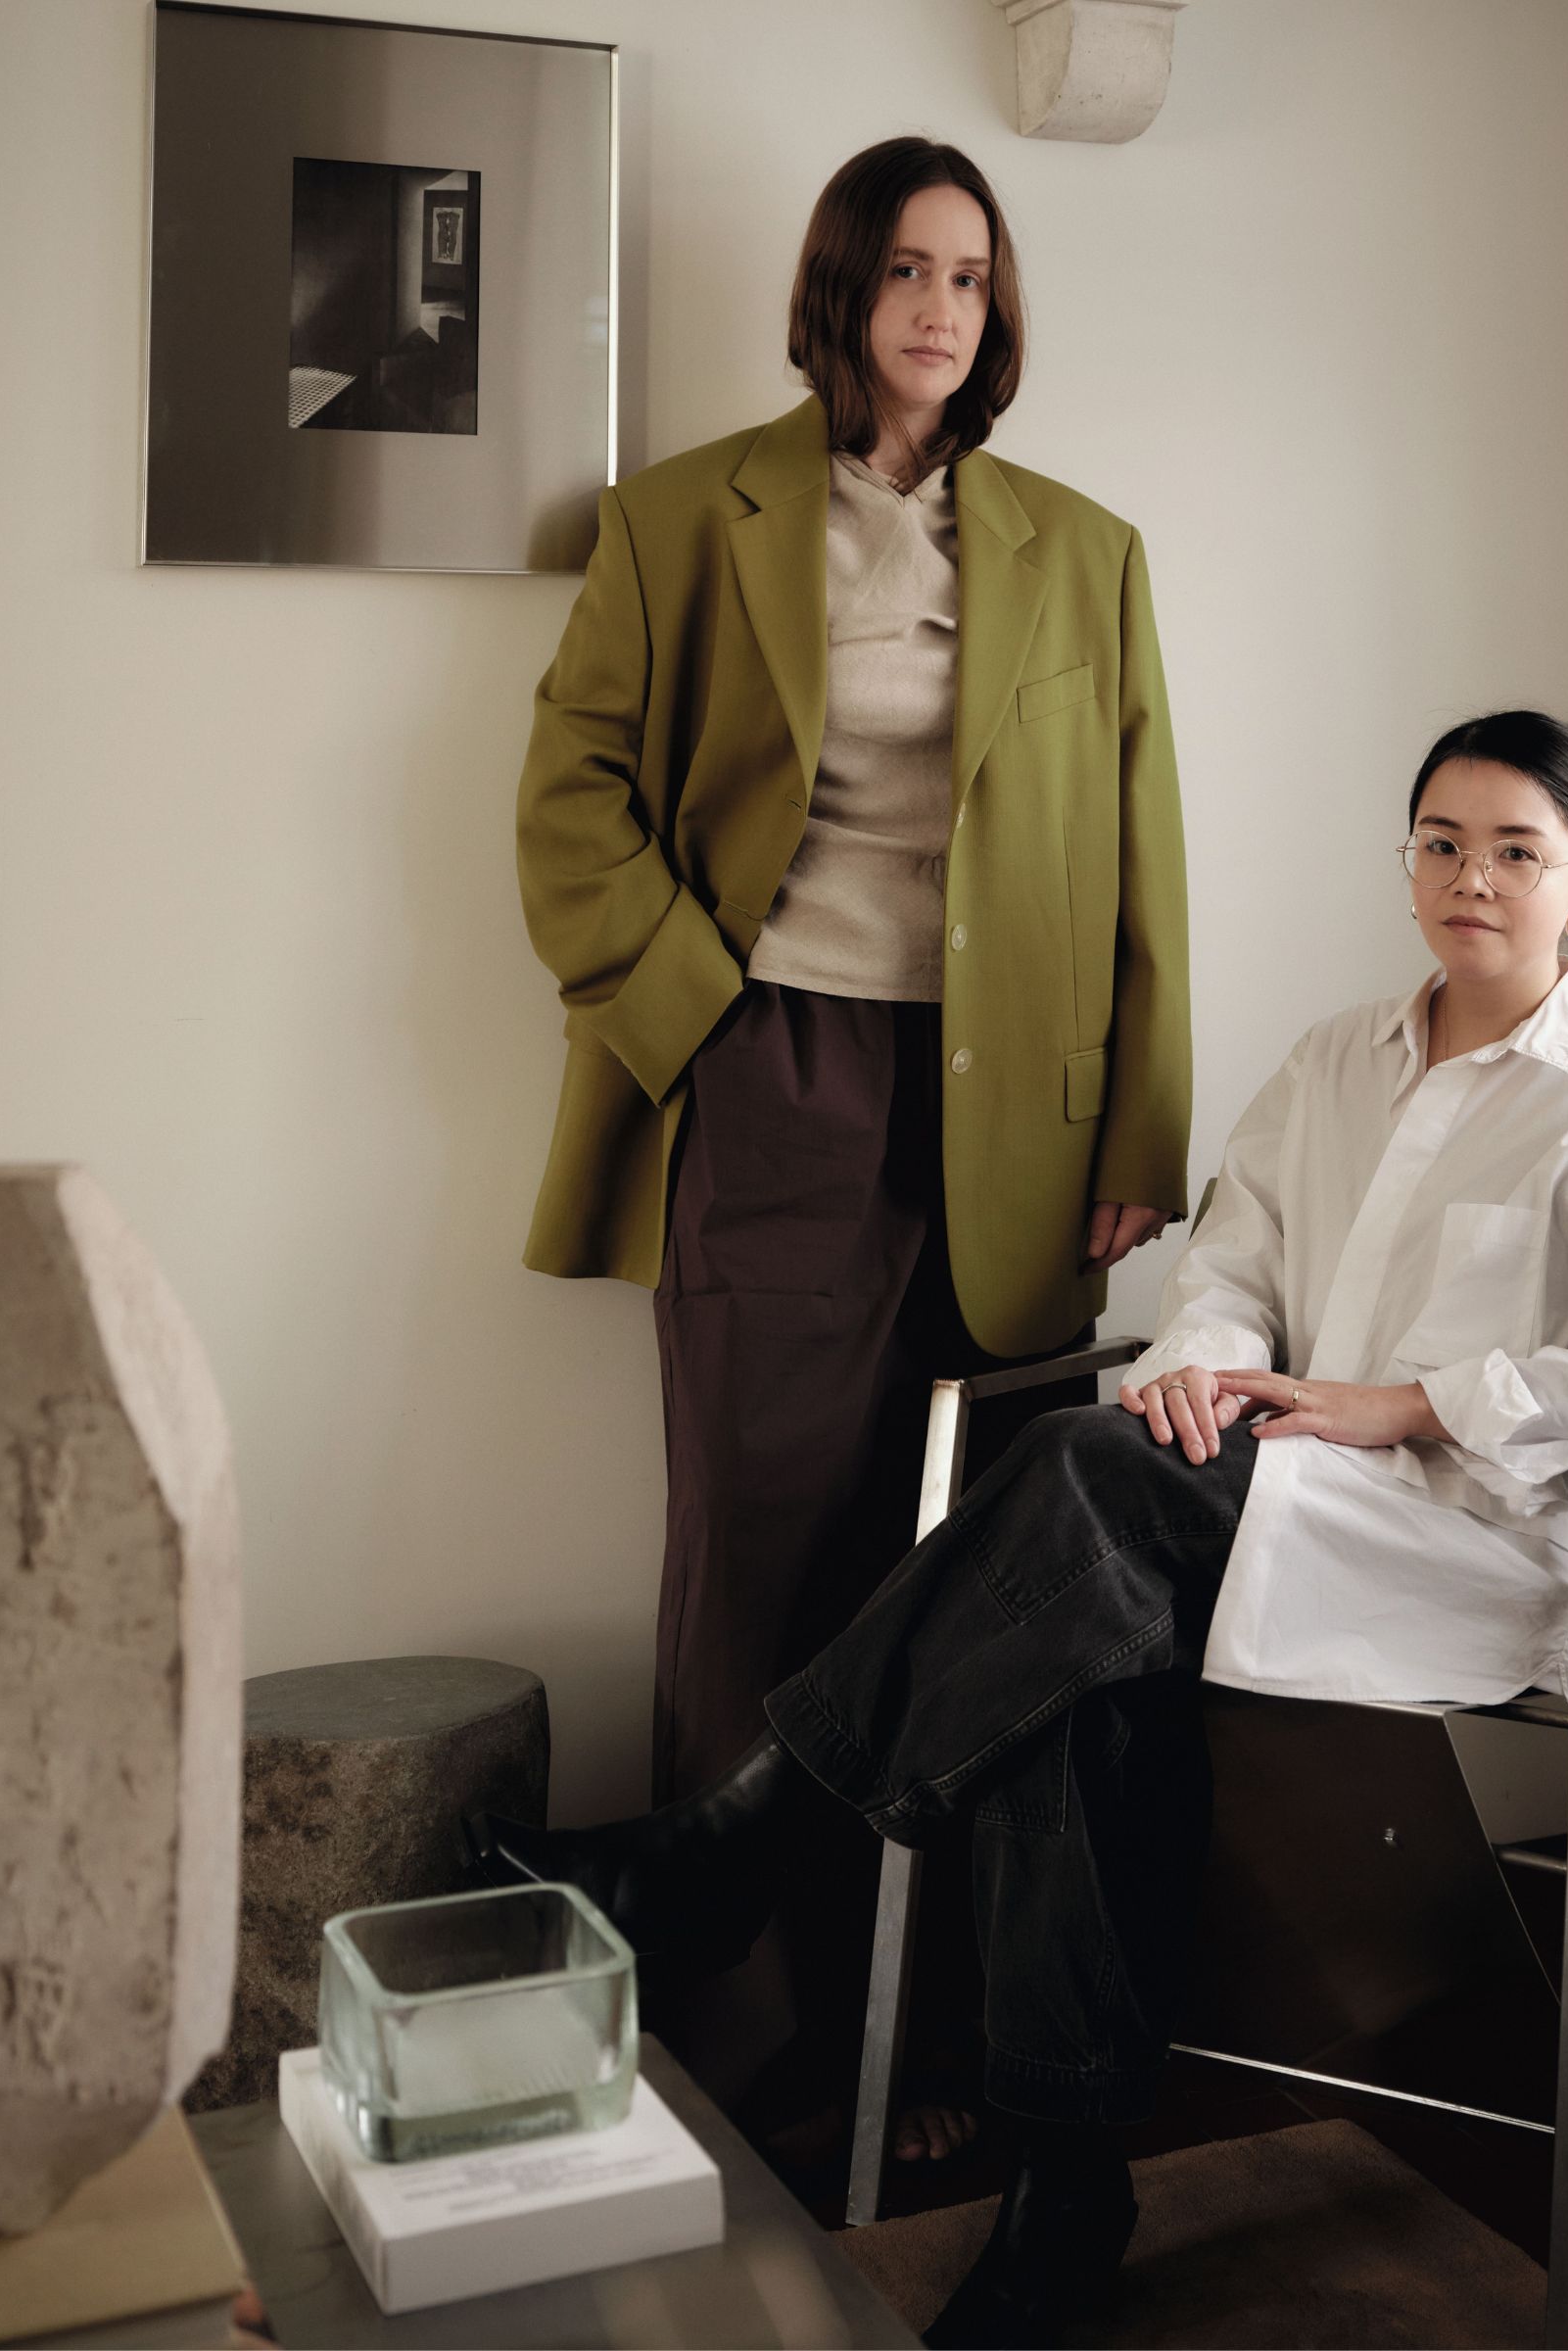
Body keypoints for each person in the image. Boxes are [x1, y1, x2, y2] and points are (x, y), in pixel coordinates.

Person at [484, 710, 1568, 2344]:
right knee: (1077, 1639)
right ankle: (1057, 2193)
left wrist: (1408, 1405)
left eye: (1518, 850)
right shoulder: (1333, 1062)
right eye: (1441, 841)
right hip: (1255, 1495)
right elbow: (1226, 1271)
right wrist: (1204, 1375)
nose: (1472, 879)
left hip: (1486, 1534)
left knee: (1084, 1491)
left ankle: (743, 1852)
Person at [506, 135, 1189, 2158]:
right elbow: (570, 803)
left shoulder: (1088, 550)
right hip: (778, 1082)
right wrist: (702, 1021)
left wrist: (1138, 1120)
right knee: (762, 1578)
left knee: (988, 1580)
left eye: (969, 277)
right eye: (902, 269)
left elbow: (1144, 852)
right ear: (838, 290)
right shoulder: (680, 521)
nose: (936, 308)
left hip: (1019, 1124)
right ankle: (744, 2066)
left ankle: (965, 2052)